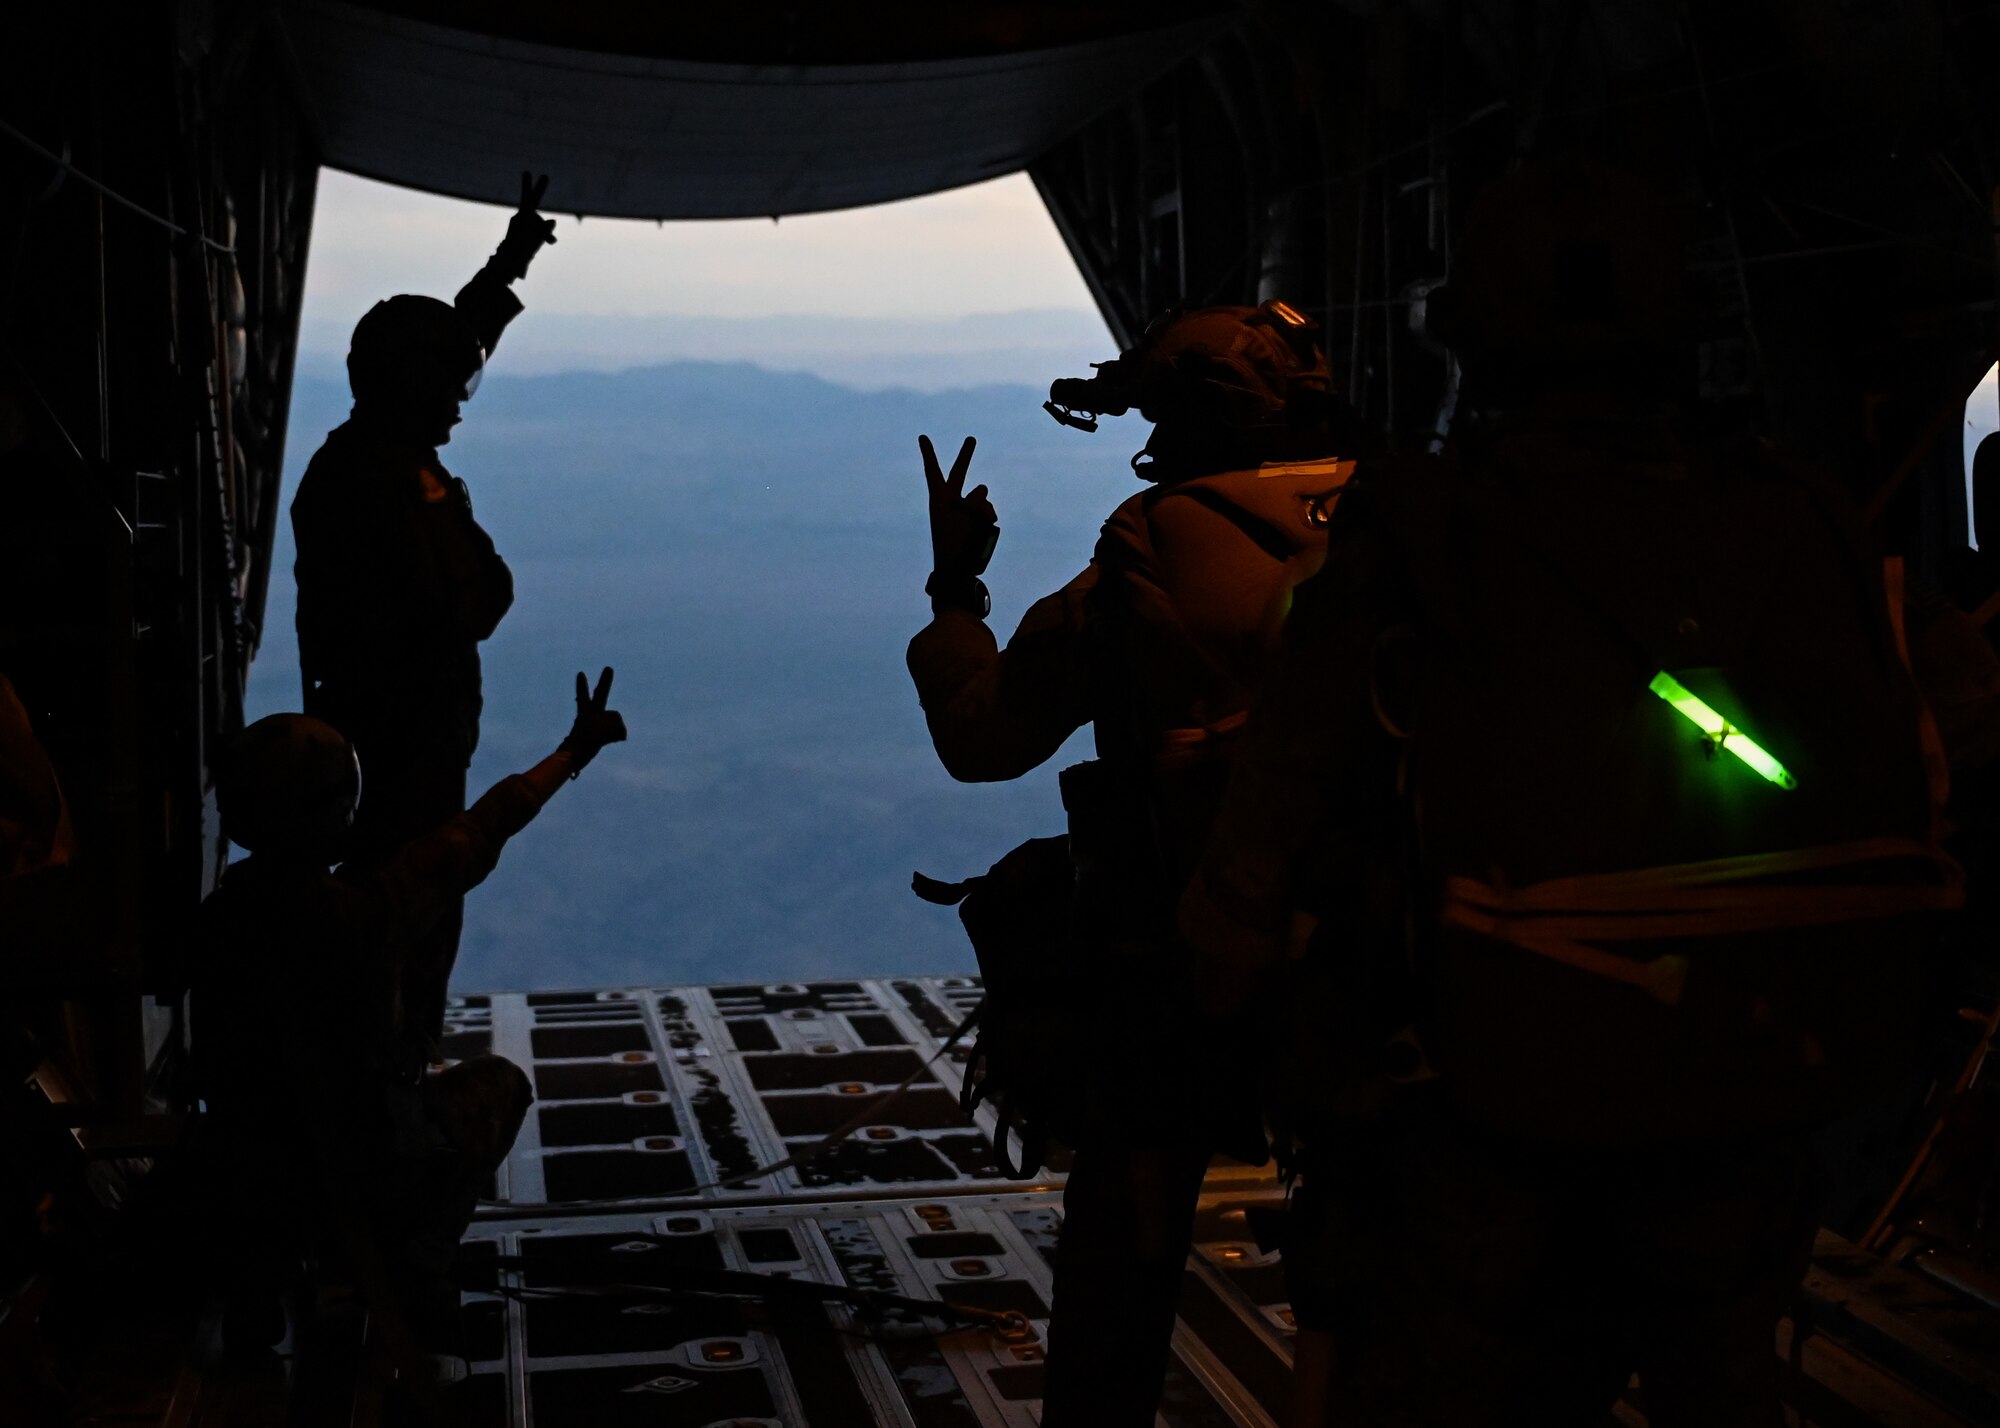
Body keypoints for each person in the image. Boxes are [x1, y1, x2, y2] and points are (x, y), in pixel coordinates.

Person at [1179, 160, 1961, 1427]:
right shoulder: (1796, 515)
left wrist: (1235, 985)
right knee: (1720, 1380)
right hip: (1758, 1080)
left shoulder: (1419, 534)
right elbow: (1947, 724)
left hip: (1494, 1105)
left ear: (1475, 345)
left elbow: (1266, 826)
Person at [908, 302, 1361, 1427]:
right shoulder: (1411, 521)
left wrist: (955, 593)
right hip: (1381, 953)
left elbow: (983, 738)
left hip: (1188, 946)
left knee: (1127, 1231)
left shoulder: (1152, 541)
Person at [192, 668, 626, 1363]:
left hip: (243, 1182)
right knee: (498, 1085)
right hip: (355, 1178)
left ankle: (259, 1289)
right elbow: (480, 831)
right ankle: (412, 1274)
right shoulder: (364, 914)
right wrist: (572, 753)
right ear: (326, 813)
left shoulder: (214, 923)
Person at [290, 171, 559, 1056]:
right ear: (407, 386)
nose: (458, 401)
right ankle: (389, 1086)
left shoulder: (362, 455)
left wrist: (508, 262)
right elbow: (481, 600)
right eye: (444, 387)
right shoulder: (393, 483)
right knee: (410, 922)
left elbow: (441, 343)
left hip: (375, 743)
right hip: (405, 753)